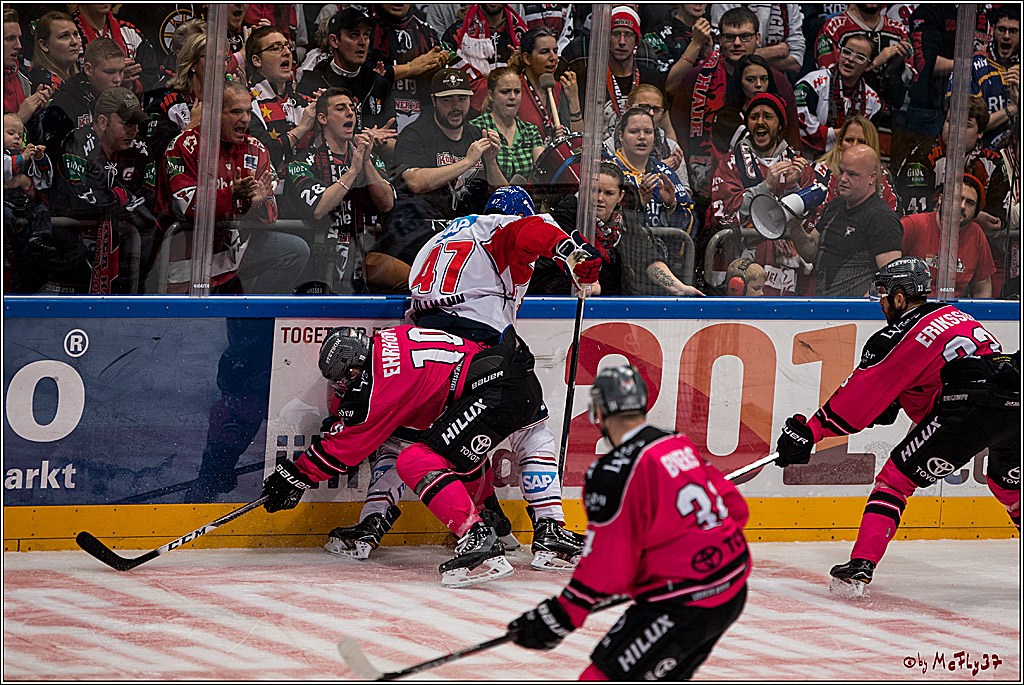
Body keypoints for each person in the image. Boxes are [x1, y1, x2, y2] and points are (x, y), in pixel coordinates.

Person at [329, 186, 602, 569]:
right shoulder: (502, 227)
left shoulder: (442, 235)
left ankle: (371, 523)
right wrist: (567, 249)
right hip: (474, 350)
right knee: (529, 428)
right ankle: (550, 528)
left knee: (403, 438)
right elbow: (531, 231)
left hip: (421, 350)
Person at [774, 257, 1019, 595]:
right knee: (1008, 486)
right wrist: (896, 401)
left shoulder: (898, 334)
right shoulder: (956, 316)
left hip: (968, 408)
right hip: (1014, 404)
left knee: (895, 481)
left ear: (900, 297)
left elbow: (858, 396)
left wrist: (810, 432)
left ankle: (860, 566)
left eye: (883, 295)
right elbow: (935, 379)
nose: (880, 303)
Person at [507, 365, 750, 680]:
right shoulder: (676, 442)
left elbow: (608, 565)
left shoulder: (610, 473)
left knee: (599, 678)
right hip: (732, 588)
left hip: (682, 604)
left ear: (598, 411)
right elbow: (736, 509)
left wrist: (562, 615)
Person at [260, 323, 544, 588]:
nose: (342, 387)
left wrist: (296, 476)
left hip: (497, 390)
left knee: (415, 460)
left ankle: (478, 538)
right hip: (511, 382)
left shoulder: (382, 380)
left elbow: (347, 447)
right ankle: (492, 520)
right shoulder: (386, 340)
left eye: (345, 379)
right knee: (454, 451)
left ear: (357, 366)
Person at [155, 77, 308, 294]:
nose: (245, 119)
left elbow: (272, 210)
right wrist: (233, 195)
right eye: (236, 112)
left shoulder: (256, 149)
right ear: (214, 113)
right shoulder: (182, 146)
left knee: (295, 250)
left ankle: (254, 317)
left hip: (235, 254)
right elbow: (187, 206)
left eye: (248, 112)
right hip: (189, 260)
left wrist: (255, 204)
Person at [669, 7, 797, 231]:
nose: (737, 43)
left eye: (745, 37)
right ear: (720, 39)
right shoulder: (695, 79)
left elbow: (791, 137)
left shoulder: (777, 82)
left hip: (768, 191)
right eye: (729, 37)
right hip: (703, 189)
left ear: (758, 38)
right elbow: (678, 128)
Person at [286, 87, 396, 294]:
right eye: (340, 108)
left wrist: (366, 164)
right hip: (317, 261)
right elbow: (318, 208)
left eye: (352, 109)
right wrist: (353, 171)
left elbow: (387, 202)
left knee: (406, 281)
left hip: (364, 256)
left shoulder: (368, 158)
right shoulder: (303, 160)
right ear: (323, 118)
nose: (349, 113)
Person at [49, 86, 156, 294]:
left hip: (124, 268)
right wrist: (120, 197)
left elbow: (147, 202)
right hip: (72, 263)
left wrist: (109, 201)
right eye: (126, 123)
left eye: (136, 123)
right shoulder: (77, 144)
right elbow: (76, 202)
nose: (134, 130)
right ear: (102, 122)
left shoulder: (141, 149)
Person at [710, 92, 815, 296]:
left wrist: (794, 188)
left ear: (780, 125)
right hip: (740, 265)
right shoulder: (730, 163)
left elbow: (813, 220)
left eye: (768, 116)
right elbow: (722, 214)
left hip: (787, 274)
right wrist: (765, 187)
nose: (760, 122)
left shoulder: (800, 167)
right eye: (754, 116)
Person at [551, 162, 703, 297]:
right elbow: (568, 254)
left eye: (608, 193)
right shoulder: (567, 213)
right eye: (594, 191)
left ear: (620, 196)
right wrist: (588, 282)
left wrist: (679, 288)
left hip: (613, 300)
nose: (600, 198)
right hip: (568, 297)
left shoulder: (626, 219)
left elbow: (648, 258)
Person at [789, 144, 902, 297]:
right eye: (841, 171)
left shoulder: (882, 218)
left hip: (856, 314)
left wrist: (859, 310)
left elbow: (890, 279)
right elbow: (811, 253)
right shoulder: (835, 206)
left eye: (852, 174)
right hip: (826, 309)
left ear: (872, 177)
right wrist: (795, 227)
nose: (842, 179)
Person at [297, 7, 396, 161]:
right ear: (334, 41)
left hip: (372, 169)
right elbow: (304, 140)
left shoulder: (378, 83)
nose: (363, 42)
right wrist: (363, 137)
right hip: (326, 169)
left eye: (366, 35)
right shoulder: (313, 81)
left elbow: (393, 145)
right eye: (354, 35)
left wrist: (377, 143)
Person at [901, 176, 995, 299]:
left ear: (976, 212)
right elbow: (884, 273)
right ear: (941, 199)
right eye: (958, 198)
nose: (962, 206)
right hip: (912, 309)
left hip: (953, 313)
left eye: (969, 203)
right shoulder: (912, 225)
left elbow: (982, 289)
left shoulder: (976, 235)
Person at [606, 107, 696, 233]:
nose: (642, 137)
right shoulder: (608, 172)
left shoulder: (665, 173)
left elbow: (691, 224)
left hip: (660, 251)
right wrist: (639, 203)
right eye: (634, 131)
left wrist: (671, 206)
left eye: (648, 132)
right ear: (621, 136)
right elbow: (601, 221)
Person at [244, 25, 318, 173]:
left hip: (305, 188)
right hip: (267, 189)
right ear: (257, 60)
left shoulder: (305, 102)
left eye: (287, 46)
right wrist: (302, 128)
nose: (286, 52)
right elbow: (265, 151)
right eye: (276, 48)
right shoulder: (246, 102)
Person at [946, 5, 1020, 150]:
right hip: (980, 156)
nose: (1006, 36)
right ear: (992, 30)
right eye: (1001, 29)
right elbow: (967, 127)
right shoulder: (973, 67)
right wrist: (1012, 108)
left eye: (1013, 31)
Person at [795, 34, 882, 156]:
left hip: (851, 162)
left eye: (860, 57)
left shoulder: (873, 101)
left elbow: (869, 140)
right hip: (807, 158)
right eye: (847, 52)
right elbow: (798, 124)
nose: (850, 59)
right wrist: (840, 134)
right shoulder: (811, 83)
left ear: (869, 66)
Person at [35, 37, 125, 152]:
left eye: (121, 71)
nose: (118, 79)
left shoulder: (123, 99)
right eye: (110, 72)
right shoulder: (64, 103)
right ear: (88, 69)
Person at [369, 4, 446, 134]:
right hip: (376, 126)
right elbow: (359, 75)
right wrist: (410, 68)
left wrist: (436, 73)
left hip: (421, 129)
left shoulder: (428, 33)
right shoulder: (364, 29)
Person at [3, 112, 53, 293]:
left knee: (41, 210)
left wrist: (39, 157)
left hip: (24, 209)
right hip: (7, 207)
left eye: (20, 135)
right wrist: (22, 158)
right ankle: (5, 244)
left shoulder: (24, 156)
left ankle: (39, 240)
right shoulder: (8, 156)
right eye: (10, 133)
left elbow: (44, 180)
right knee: (4, 214)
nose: (17, 137)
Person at [809, 115, 899, 214]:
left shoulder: (882, 175)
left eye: (861, 141)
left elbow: (894, 215)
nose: (854, 146)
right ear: (839, 143)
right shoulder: (820, 170)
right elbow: (813, 215)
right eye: (849, 140)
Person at [470, 67, 545, 181]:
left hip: (524, 197)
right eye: (505, 92)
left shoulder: (530, 130)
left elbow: (544, 170)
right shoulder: (475, 128)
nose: (512, 97)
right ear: (491, 95)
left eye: (517, 91)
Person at [511, 25, 582, 142]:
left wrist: (574, 100)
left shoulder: (561, 88)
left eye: (555, 51)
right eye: (544, 52)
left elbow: (578, 142)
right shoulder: (513, 90)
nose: (553, 57)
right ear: (527, 58)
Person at [72, 3, 161, 95]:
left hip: (127, 105)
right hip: (82, 105)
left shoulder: (129, 31)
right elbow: (64, 76)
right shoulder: (67, 34)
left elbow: (152, 75)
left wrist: (130, 84)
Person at [442, 3, 529, 84]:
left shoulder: (523, 34)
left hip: (514, 95)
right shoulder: (456, 34)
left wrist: (520, 67)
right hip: (474, 98)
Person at [709, 4, 806, 73]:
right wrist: (776, 51)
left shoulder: (790, 5)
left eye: (745, 36)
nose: (737, 43)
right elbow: (724, 52)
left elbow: (795, 62)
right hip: (728, 79)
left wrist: (745, 56)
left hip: (776, 81)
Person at [4, 8, 52, 125]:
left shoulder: (23, 78)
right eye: (10, 39)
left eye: (18, 38)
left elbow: (32, 138)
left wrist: (35, 115)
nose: (18, 45)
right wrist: (19, 119)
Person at [646, 3, 714, 80]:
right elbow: (667, 87)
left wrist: (709, 57)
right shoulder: (656, 34)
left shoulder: (716, 33)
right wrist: (696, 44)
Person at [29, 12, 81, 93]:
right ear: (44, 45)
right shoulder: (44, 85)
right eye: (64, 36)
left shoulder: (80, 75)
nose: (74, 41)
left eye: (75, 34)